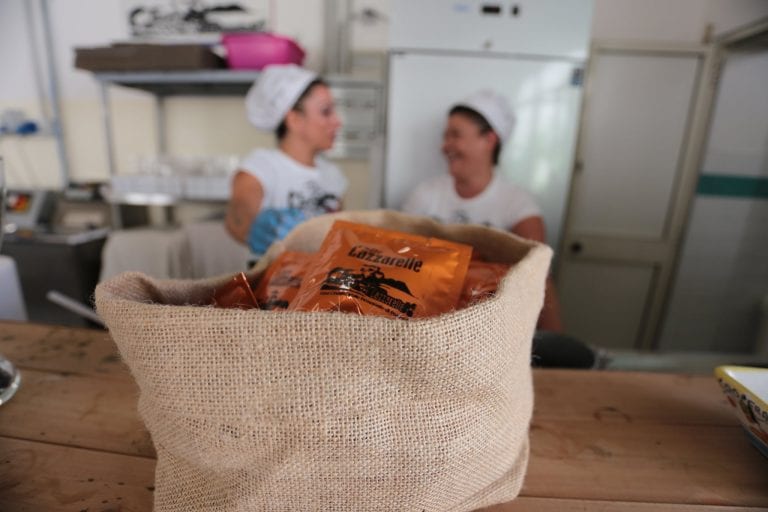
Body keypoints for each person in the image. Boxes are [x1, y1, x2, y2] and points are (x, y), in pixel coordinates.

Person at [401, 89, 563, 332]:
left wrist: (556, 347)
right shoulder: (425, 195)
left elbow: (539, 283)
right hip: (427, 325)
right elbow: (402, 262)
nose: (445, 146)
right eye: (446, 136)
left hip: (491, 332)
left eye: (455, 135)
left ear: (489, 139)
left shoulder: (518, 206)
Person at [225, 64, 347, 256]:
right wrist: (257, 229)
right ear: (294, 119)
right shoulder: (260, 168)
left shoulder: (333, 175)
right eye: (326, 111)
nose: (338, 121)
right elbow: (238, 220)